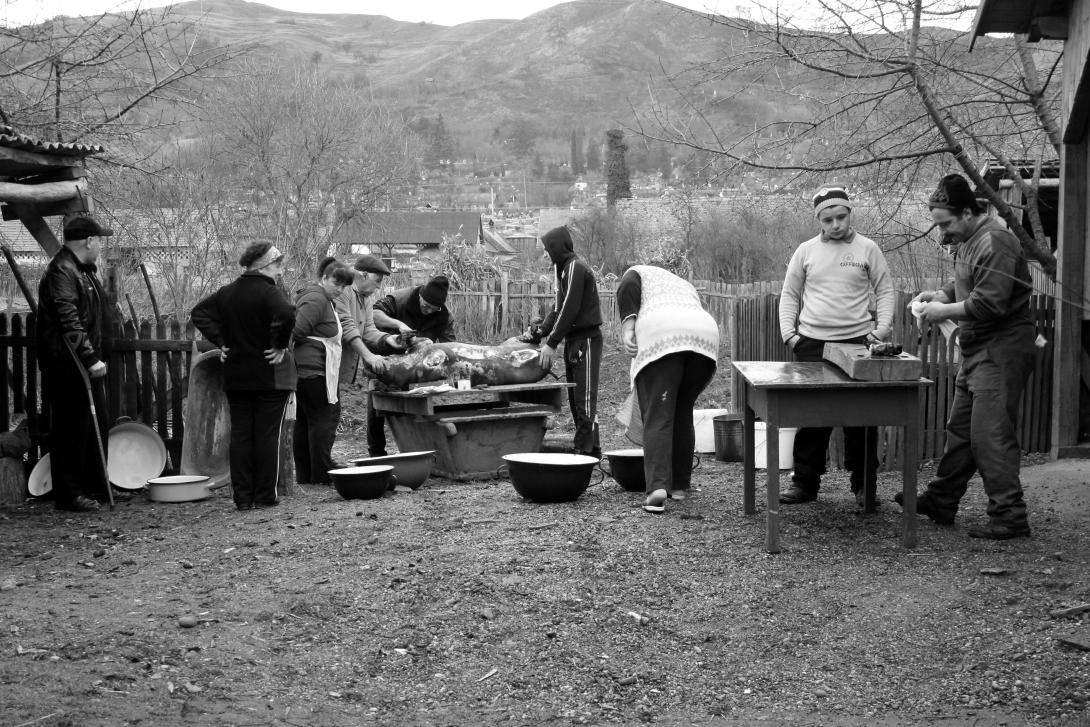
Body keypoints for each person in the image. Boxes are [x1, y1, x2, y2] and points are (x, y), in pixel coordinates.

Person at [895, 173, 1036, 540]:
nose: (942, 234)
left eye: (945, 224)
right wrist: (941, 295)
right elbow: (967, 283)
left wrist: (945, 313)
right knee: (960, 432)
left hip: (1001, 348)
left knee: (990, 436)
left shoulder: (996, 241)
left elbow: (990, 302)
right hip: (976, 349)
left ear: (969, 212)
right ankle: (942, 500)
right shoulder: (970, 240)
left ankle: (1010, 516)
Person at [778, 186, 895, 508]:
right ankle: (805, 484)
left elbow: (885, 290)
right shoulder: (806, 251)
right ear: (819, 220)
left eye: (841, 217)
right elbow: (789, 294)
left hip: (858, 342)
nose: (836, 225)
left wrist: (880, 330)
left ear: (849, 214)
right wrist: (791, 334)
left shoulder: (868, 249)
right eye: (828, 219)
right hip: (813, 343)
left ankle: (865, 488)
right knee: (813, 418)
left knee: (862, 419)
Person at [191, 241, 296, 511]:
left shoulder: (228, 293)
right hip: (269, 377)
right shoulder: (269, 292)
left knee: (240, 435)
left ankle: (242, 497)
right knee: (266, 435)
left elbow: (199, 313)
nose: (279, 271)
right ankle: (264, 495)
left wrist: (220, 340)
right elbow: (286, 313)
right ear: (263, 265)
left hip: (237, 375)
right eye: (276, 265)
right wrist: (279, 344)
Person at [618, 264, 719, 514]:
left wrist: (628, 327)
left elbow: (628, 285)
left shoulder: (637, 272)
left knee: (659, 413)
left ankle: (657, 489)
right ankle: (679, 486)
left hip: (665, 334)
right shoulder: (681, 284)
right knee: (682, 412)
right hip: (704, 339)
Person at [37, 214, 113, 512]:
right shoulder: (62, 271)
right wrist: (90, 357)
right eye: (100, 242)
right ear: (89, 241)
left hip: (83, 364)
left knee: (96, 426)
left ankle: (95, 486)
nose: (101, 248)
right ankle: (70, 494)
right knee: (71, 428)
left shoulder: (83, 270)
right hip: (68, 364)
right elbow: (67, 318)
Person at [369, 274, 456, 455]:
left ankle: (416, 448)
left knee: (415, 407)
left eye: (433, 309)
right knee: (377, 406)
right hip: (386, 359)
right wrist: (399, 325)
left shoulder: (445, 317)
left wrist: (431, 348)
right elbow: (373, 314)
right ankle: (376, 452)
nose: (428, 311)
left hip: (418, 368)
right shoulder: (399, 299)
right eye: (426, 305)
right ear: (420, 296)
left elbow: (449, 346)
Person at [536, 225, 602, 458]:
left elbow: (571, 309)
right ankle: (591, 448)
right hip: (574, 340)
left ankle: (583, 451)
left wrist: (552, 342)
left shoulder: (575, 268)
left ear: (556, 248)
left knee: (584, 396)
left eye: (547, 249)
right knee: (576, 398)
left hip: (587, 339)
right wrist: (540, 332)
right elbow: (558, 309)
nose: (545, 254)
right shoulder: (563, 270)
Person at [334, 254, 405, 457]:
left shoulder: (366, 297)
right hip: (325, 359)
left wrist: (388, 340)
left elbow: (369, 329)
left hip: (340, 362)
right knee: (326, 415)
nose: (378, 287)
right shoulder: (343, 290)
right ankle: (317, 471)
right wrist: (369, 356)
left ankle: (319, 469)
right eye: (377, 281)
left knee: (331, 412)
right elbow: (347, 326)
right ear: (363, 275)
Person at [292, 258, 355, 486]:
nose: (339, 290)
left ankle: (307, 474)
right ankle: (320, 471)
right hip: (313, 371)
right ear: (324, 278)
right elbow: (297, 331)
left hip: (314, 370)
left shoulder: (325, 300)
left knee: (306, 421)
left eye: (343, 286)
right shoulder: (316, 298)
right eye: (336, 283)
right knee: (320, 420)